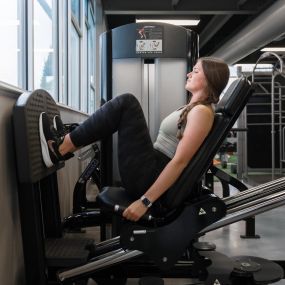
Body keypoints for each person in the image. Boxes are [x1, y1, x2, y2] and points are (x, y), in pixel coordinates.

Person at [39, 57, 229, 221]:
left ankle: (61, 149)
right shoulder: (195, 109)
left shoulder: (202, 113)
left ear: (209, 78)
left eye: (195, 71)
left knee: (126, 103)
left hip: (149, 174)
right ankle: (65, 143)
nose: (189, 74)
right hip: (150, 168)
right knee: (123, 106)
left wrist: (145, 201)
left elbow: (180, 162)